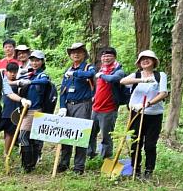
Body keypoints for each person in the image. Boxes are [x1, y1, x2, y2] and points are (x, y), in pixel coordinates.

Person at [120, 50, 169, 179]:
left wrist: (148, 104)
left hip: (154, 114)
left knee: (150, 145)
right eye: (142, 59)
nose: (145, 61)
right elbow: (123, 81)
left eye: (148, 58)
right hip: (136, 113)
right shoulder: (136, 75)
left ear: (154, 61)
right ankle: (135, 169)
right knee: (136, 142)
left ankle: (149, 171)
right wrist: (142, 80)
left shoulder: (160, 75)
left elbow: (163, 93)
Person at [57, 42, 96, 174]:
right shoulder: (67, 70)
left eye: (79, 51)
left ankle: (79, 166)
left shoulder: (88, 67)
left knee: (81, 134)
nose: (76, 54)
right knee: (66, 134)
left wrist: (75, 74)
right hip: (68, 104)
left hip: (83, 104)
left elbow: (90, 75)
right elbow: (62, 90)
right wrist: (62, 106)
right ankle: (64, 163)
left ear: (84, 54)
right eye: (73, 52)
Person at [16, 50, 52, 172]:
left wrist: (30, 81)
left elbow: (45, 81)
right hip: (26, 109)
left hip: (35, 109)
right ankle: (29, 164)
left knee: (24, 136)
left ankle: (28, 165)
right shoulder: (30, 74)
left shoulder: (42, 75)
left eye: (37, 60)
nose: (34, 63)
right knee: (30, 137)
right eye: (32, 60)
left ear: (42, 62)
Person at [88, 47, 125, 159]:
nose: (106, 58)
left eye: (109, 56)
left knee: (106, 136)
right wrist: (94, 95)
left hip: (109, 109)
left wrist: (102, 76)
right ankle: (90, 155)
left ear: (114, 57)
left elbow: (113, 79)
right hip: (95, 108)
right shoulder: (101, 69)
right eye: (104, 56)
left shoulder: (118, 70)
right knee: (90, 133)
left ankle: (105, 158)